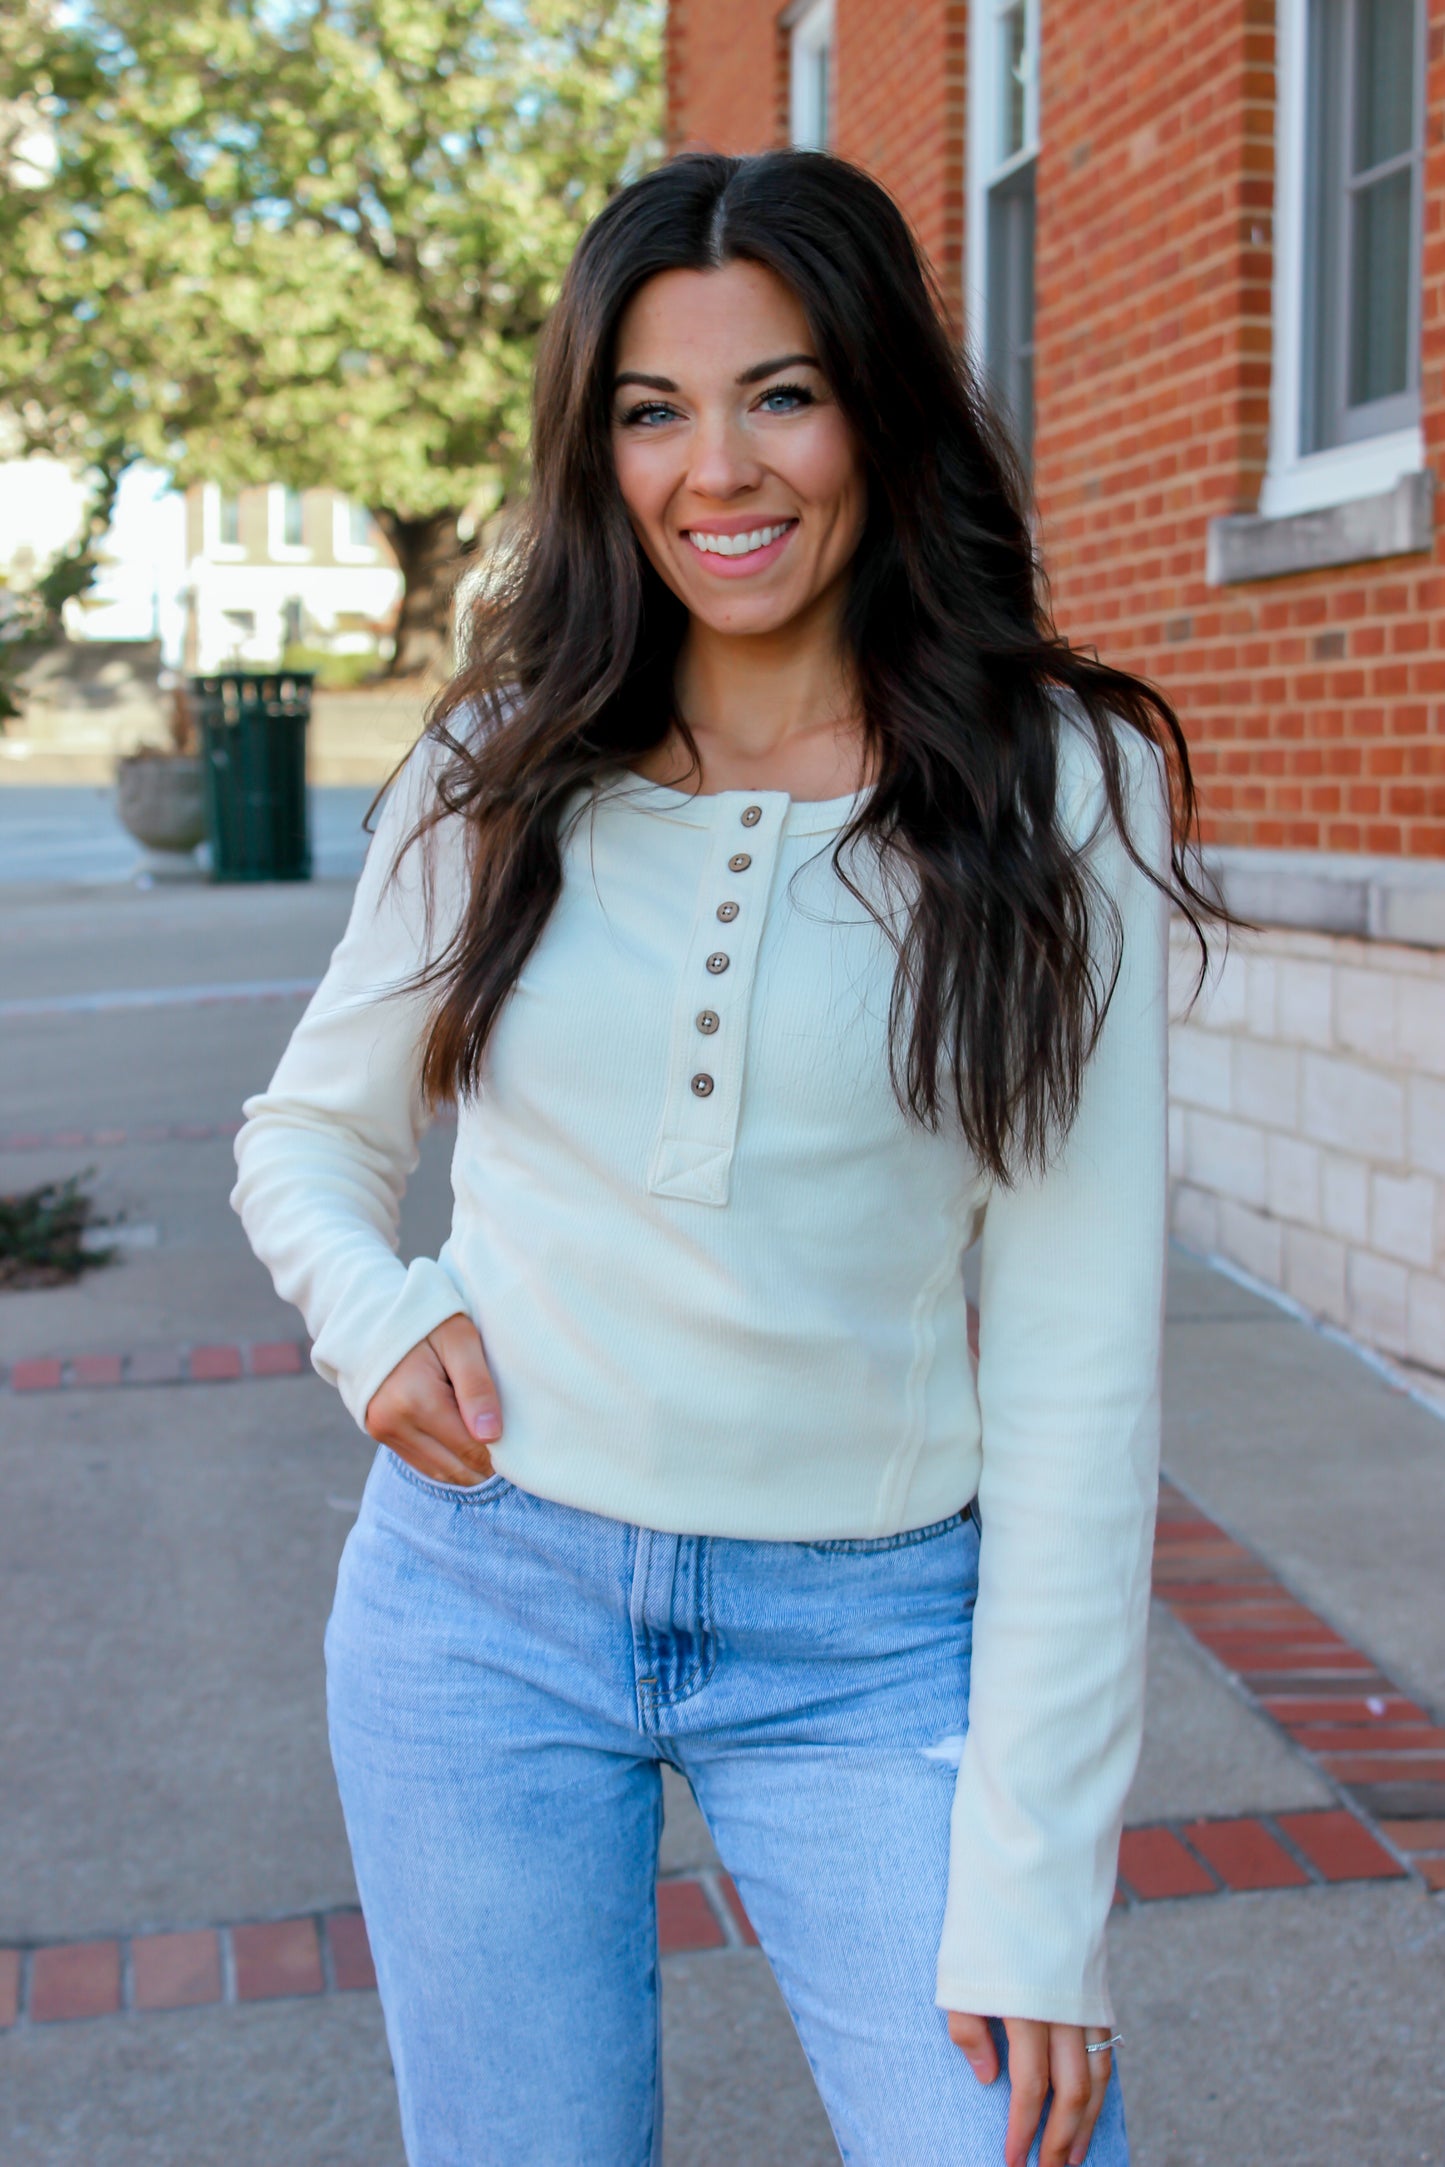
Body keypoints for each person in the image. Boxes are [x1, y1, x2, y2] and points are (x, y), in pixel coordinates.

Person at [232, 150, 1215, 2167]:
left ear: (879, 403)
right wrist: (378, 1314)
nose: (716, 471)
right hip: (479, 1605)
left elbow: (1078, 1365)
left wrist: (1042, 1894)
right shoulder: (505, 761)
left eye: (779, 392)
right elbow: (309, 1138)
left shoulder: (1060, 785)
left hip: (870, 1643)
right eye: (651, 411)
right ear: (599, 449)